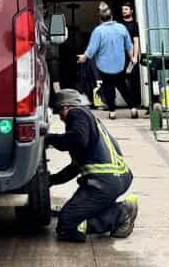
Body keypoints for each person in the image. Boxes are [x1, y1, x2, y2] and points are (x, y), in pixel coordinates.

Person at [46, 89, 138, 242]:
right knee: (78, 212)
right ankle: (114, 211)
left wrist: (49, 139)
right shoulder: (90, 121)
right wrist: (52, 180)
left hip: (104, 184)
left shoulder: (77, 113)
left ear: (66, 106)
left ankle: (120, 213)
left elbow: (77, 139)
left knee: (67, 225)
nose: (61, 119)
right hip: (118, 179)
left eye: (59, 113)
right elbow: (75, 167)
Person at [78, 2, 133, 114]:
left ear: (101, 19)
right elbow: (129, 46)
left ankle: (112, 111)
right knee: (123, 87)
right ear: (112, 16)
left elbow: (91, 49)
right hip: (120, 65)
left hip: (104, 66)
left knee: (108, 88)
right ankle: (133, 108)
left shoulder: (98, 31)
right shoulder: (121, 28)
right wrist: (132, 58)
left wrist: (83, 57)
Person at [119, 2, 141, 109]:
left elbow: (136, 41)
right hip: (120, 56)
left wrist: (135, 56)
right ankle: (128, 102)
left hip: (131, 56)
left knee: (134, 80)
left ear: (131, 11)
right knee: (120, 78)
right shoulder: (119, 24)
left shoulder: (135, 24)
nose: (124, 11)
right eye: (123, 9)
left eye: (126, 9)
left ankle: (135, 103)